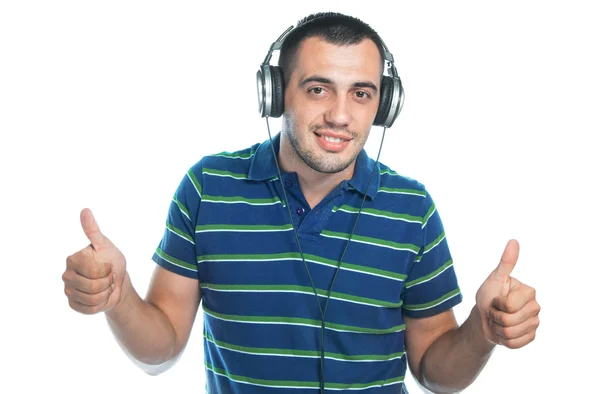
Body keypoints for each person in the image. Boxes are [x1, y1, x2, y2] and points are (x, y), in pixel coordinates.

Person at [62, 12, 541, 394]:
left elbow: (437, 372)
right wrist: (118, 296)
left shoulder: (411, 209)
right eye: (318, 89)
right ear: (274, 94)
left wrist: (483, 330)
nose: (339, 114)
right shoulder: (207, 188)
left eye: (361, 94)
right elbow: (161, 348)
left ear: (384, 105)